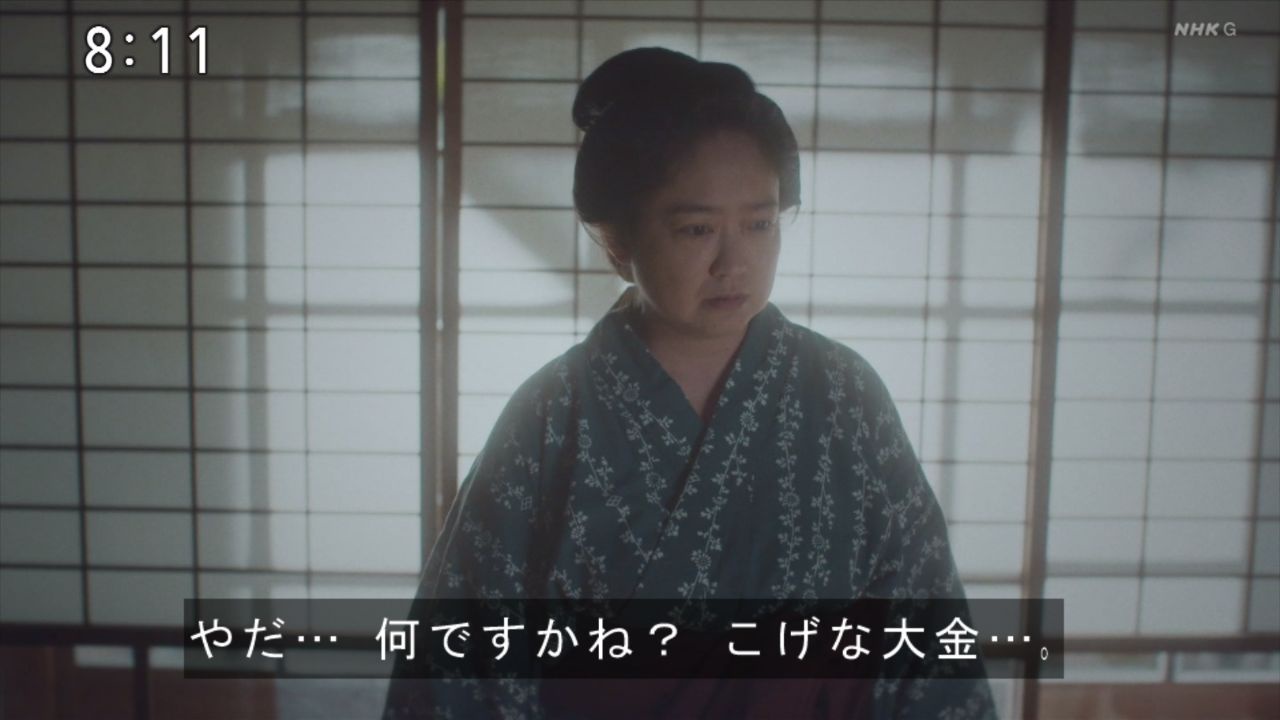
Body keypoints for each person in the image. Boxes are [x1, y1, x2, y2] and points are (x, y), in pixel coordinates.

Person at [383, 47, 996, 719]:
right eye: (697, 228)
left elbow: (924, 628)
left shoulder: (844, 394)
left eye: (760, 223)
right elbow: (461, 652)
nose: (735, 262)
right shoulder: (554, 415)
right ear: (618, 242)